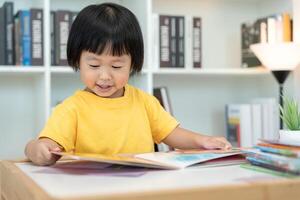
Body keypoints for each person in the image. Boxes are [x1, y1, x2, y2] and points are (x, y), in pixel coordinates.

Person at [25, 3, 232, 166]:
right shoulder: (71, 109)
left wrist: (203, 141)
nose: (104, 76)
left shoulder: (143, 101)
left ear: (133, 63)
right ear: (77, 60)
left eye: (116, 66)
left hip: (142, 188)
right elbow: (48, 144)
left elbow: (172, 134)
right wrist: (38, 149)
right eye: (94, 64)